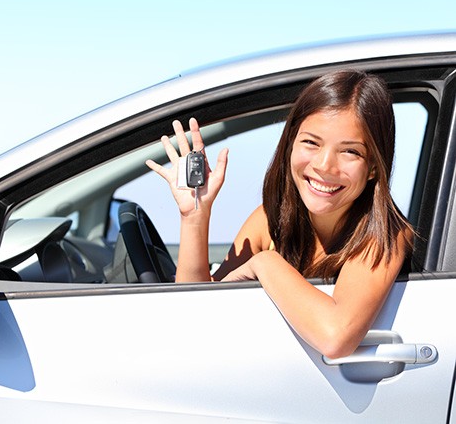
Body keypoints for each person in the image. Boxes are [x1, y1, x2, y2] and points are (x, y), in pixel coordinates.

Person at [145, 70, 413, 359]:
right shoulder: (269, 220)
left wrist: (265, 263)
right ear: (290, 145)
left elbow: (336, 338)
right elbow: (195, 315)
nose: (325, 166)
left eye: (350, 152)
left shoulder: (386, 234)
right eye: (311, 143)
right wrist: (195, 216)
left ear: (373, 167)